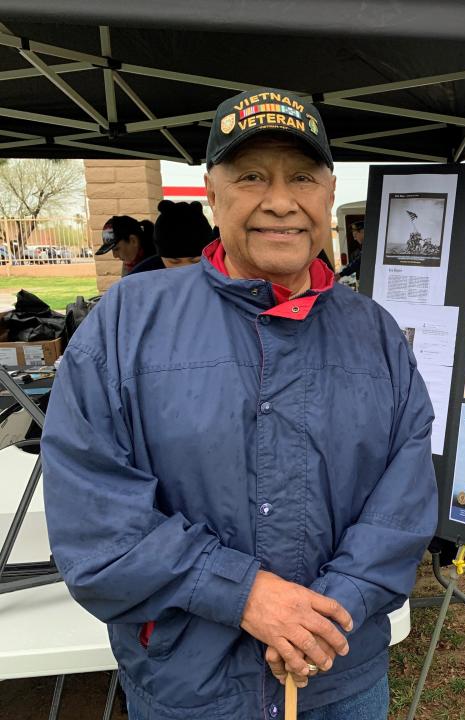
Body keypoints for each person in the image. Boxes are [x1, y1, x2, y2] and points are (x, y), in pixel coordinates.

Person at [42, 87, 437, 720]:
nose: (280, 201)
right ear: (213, 191)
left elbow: (404, 503)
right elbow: (94, 518)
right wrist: (243, 592)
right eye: (252, 175)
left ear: (328, 193)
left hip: (340, 675)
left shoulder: (377, 334)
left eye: (301, 176)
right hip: (187, 687)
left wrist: (325, 616)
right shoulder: (125, 323)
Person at [154, 199, 214, 268]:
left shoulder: (221, 274)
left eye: (196, 261)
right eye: (174, 262)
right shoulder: (143, 276)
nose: (185, 267)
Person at [96, 215, 161, 275]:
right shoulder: (130, 263)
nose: (115, 255)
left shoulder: (160, 265)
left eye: (116, 249)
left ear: (133, 241)